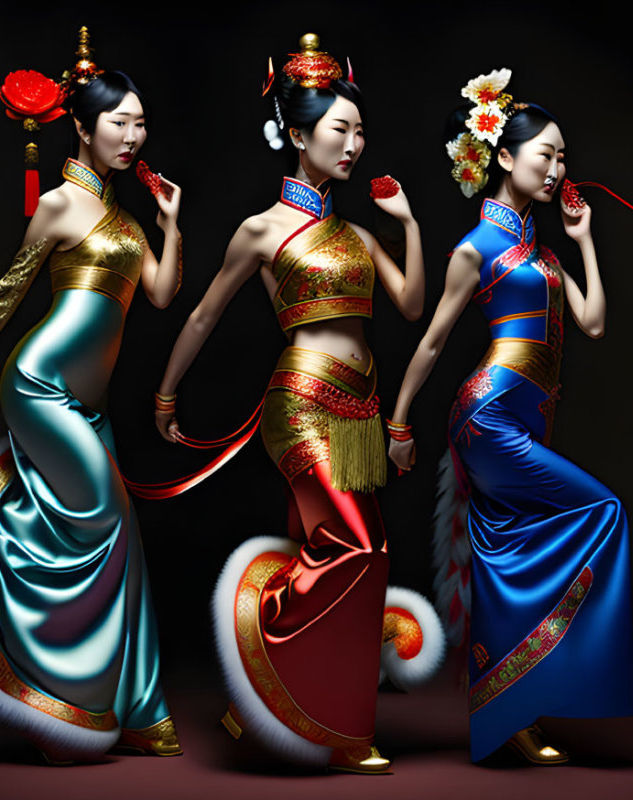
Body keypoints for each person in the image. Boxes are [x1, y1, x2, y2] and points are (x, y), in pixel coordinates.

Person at [0, 29, 185, 763]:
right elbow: (3, 297)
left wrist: (171, 225)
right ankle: (62, 702)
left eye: (140, 122)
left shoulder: (123, 216)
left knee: (126, 542)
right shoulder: (58, 205)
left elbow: (160, 291)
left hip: (88, 404)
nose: (133, 134)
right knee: (109, 517)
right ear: (80, 128)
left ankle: (140, 709)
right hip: (41, 385)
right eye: (118, 121)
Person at [154, 34, 434, 774]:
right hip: (302, 405)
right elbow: (205, 314)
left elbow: (409, 304)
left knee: (347, 555)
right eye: (340, 130)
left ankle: (275, 705)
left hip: (360, 408)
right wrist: (166, 390)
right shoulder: (262, 231)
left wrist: (407, 224)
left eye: (360, 132)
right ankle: (312, 707)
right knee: (357, 550)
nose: (354, 144)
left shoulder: (356, 232)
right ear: (299, 134)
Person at [387, 68, 633, 764]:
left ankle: (511, 710)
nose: (558, 168)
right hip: (488, 419)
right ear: (502, 156)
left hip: (528, 422)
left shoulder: (548, 251)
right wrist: (400, 423)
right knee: (601, 511)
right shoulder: (478, 248)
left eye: (562, 157)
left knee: (507, 559)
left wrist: (582, 240)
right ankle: (516, 706)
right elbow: (433, 338)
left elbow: (590, 324)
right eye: (545, 155)